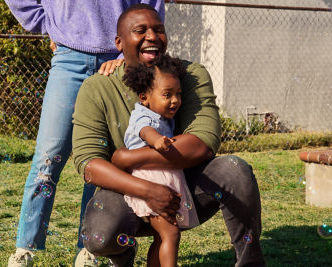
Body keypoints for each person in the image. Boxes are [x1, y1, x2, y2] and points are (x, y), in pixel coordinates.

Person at [72, 3, 265, 267]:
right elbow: (89, 163)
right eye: (140, 30)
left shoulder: (189, 75)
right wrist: (148, 190)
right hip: (127, 191)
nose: (152, 36)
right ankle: (123, 255)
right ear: (119, 42)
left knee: (235, 170)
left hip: (184, 188)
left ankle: (250, 263)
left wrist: (127, 158)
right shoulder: (97, 88)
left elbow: (202, 144)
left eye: (159, 30)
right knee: (100, 237)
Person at [3, 1, 165, 266]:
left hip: (119, 60)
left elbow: (152, 4)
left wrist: (128, 53)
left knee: (104, 160)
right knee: (48, 157)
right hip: (69, 60)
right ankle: (25, 249)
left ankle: (91, 250)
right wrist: (47, 25)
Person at [122, 54, 200, 266]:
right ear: (144, 97)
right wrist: (156, 140)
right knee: (171, 234)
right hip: (151, 180)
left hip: (163, 177)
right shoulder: (144, 115)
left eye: (178, 94)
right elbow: (143, 129)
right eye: (167, 94)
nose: (175, 100)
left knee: (164, 235)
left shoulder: (163, 116)